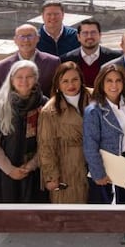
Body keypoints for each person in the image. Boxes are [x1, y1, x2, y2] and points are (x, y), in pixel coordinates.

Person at [0, 60, 49, 203]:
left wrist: (31, 165)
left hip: (35, 172)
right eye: (19, 77)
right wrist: (10, 169)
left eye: (29, 76)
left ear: (36, 78)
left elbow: (48, 141)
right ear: (11, 79)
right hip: (3, 173)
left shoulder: (45, 105)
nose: (24, 81)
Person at [84, 64, 125, 207]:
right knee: (103, 205)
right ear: (101, 83)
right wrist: (98, 173)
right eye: (109, 80)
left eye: (118, 80)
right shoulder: (94, 110)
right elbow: (90, 145)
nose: (114, 85)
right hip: (106, 161)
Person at [38, 62, 91, 203]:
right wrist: (51, 176)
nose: (71, 85)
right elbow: (46, 146)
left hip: (96, 163)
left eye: (75, 79)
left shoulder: (94, 98)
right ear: (58, 84)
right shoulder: (50, 110)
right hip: (67, 166)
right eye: (65, 81)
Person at [0, 23, 60, 99]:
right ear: (15, 40)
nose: (26, 40)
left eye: (30, 36)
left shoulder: (53, 62)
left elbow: (58, 92)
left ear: (38, 38)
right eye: (22, 37)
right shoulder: (1, 67)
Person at [62, 18, 121, 88]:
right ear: (78, 37)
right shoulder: (65, 60)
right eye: (85, 33)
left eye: (93, 33)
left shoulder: (115, 58)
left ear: (100, 35)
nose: (89, 36)